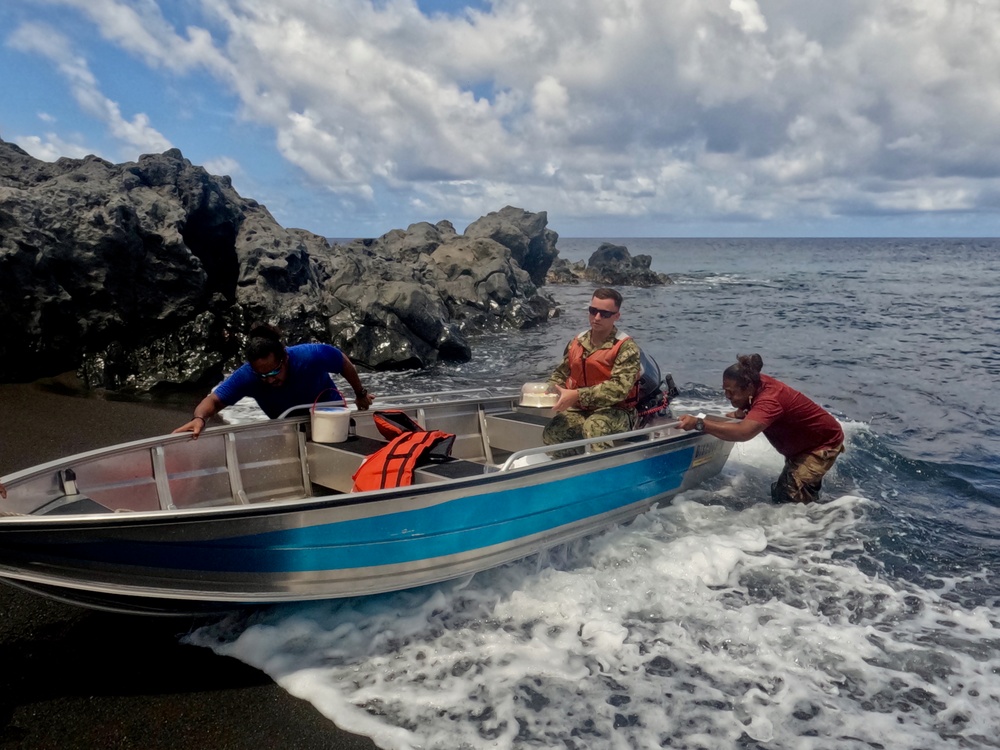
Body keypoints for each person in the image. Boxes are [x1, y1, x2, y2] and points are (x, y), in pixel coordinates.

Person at [678, 353, 844, 503]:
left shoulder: (769, 400)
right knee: (782, 491)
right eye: (725, 391)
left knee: (790, 498)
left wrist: (700, 424)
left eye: (731, 392)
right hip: (803, 444)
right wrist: (741, 411)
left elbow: (744, 433)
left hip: (821, 446)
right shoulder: (755, 382)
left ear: (749, 387)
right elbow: (751, 402)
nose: (728, 397)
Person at [173, 323, 374, 439]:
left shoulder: (311, 355)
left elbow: (344, 363)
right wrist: (199, 418)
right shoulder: (248, 375)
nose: (269, 379)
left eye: (274, 371)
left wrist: (360, 394)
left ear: (284, 357)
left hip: (328, 413)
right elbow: (214, 401)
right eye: (262, 375)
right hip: (288, 423)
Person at [542, 287, 641, 454]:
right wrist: (551, 390)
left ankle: (604, 473)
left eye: (604, 314)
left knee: (595, 427)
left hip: (618, 411)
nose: (597, 317)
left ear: (616, 316)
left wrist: (578, 395)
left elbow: (619, 389)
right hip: (582, 409)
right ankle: (571, 469)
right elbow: (561, 373)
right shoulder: (577, 342)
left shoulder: (625, 347)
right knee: (553, 432)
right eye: (593, 311)